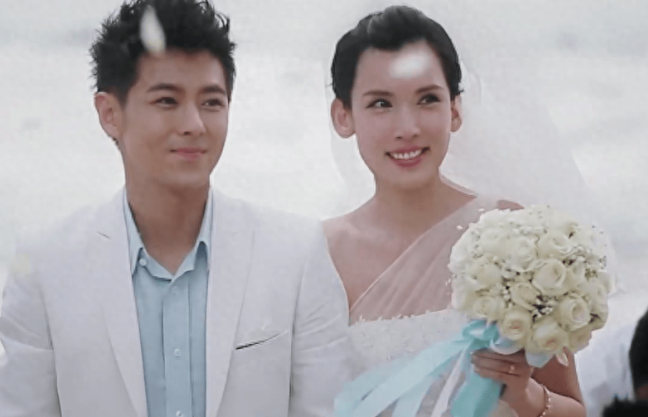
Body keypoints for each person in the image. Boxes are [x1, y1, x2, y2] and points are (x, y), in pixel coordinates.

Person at [0, 0, 352, 416]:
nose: (194, 125)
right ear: (110, 114)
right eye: (167, 101)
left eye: (211, 102)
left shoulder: (295, 254)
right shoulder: (47, 266)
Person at [324, 5, 586, 416]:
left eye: (427, 99)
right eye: (381, 103)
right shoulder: (320, 254)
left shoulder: (517, 238)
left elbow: (574, 408)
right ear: (343, 116)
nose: (407, 127)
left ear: (455, 109)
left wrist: (525, 394)